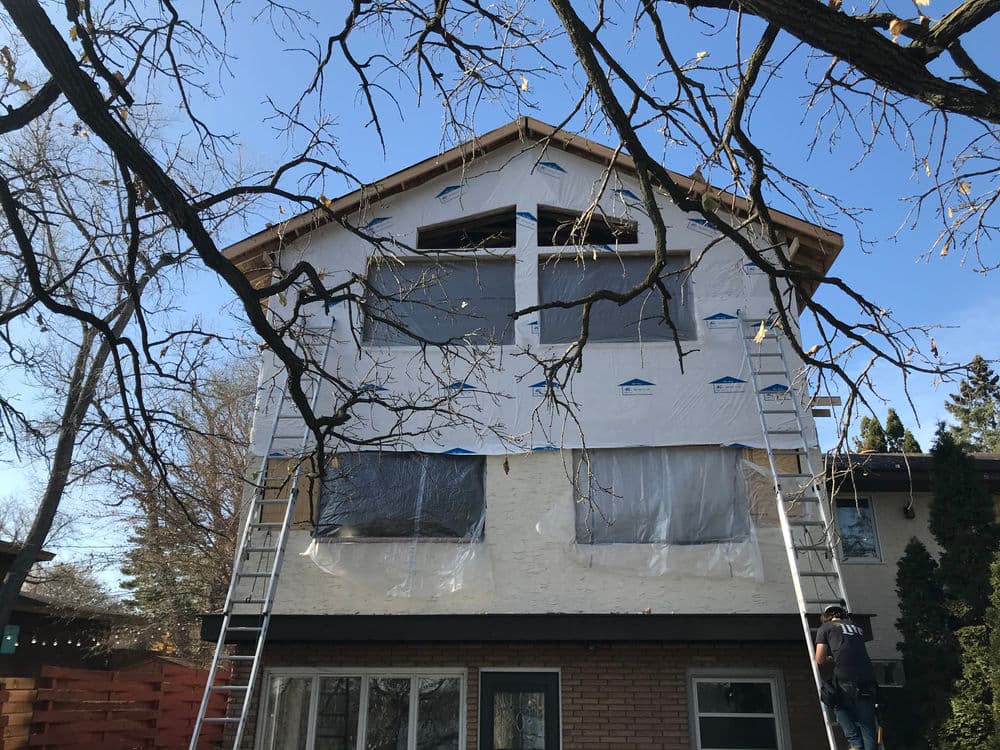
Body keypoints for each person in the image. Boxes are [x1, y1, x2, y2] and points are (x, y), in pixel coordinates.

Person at [815, 603, 879, 750]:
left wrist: (830, 658)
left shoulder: (826, 628)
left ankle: (855, 744)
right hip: (868, 679)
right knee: (868, 727)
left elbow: (819, 659)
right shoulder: (857, 628)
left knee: (839, 706)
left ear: (826, 617)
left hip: (846, 678)